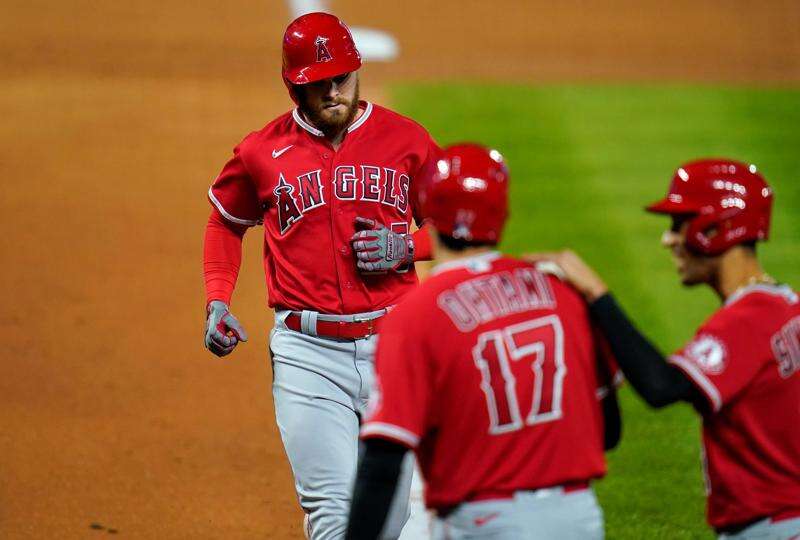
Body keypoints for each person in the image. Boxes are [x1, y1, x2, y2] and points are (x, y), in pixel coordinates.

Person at [201, 12, 441, 539]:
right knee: (333, 518)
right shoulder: (261, 152)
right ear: (293, 86)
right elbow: (226, 220)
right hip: (308, 356)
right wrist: (218, 298)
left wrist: (409, 246)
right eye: (317, 84)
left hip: (396, 348)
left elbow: (452, 227)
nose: (333, 92)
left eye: (342, 79)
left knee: (388, 522)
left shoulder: (407, 140)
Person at [346, 143, 622, 540]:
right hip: (577, 517)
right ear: (502, 214)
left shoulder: (417, 314)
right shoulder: (563, 291)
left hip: (485, 522)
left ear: (427, 214)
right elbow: (609, 430)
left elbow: (384, 459)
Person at [528, 159, 800, 539]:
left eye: (678, 224)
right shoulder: (786, 306)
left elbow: (661, 387)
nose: (668, 239)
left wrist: (597, 293)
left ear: (716, 229)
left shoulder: (749, 318)